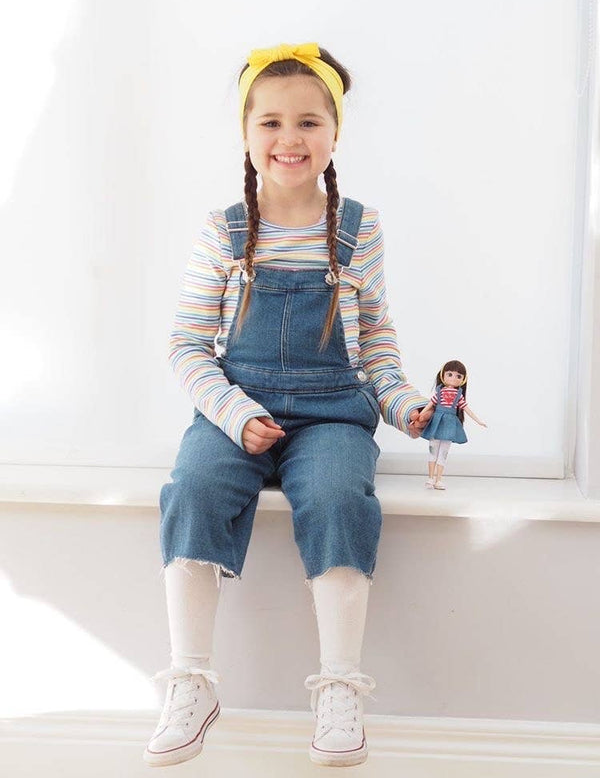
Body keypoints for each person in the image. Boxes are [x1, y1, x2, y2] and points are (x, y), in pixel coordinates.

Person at [143, 41, 432, 769]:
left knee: (338, 494)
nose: (289, 138)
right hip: (236, 406)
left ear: (335, 133)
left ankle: (338, 684)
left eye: (308, 121)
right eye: (270, 123)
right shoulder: (225, 231)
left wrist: (405, 408)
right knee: (195, 486)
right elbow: (185, 346)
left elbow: (376, 347)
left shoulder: (357, 229)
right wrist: (236, 414)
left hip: (333, 409)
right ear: (246, 136)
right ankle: (191, 679)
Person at [420, 359, 487, 490]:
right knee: (433, 450)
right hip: (437, 422)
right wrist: (420, 415)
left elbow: (467, 410)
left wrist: (478, 420)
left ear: (463, 379)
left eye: (458, 376)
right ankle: (430, 478)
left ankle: (438, 479)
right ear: (443, 375)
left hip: (450, 425)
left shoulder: (458, 396)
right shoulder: (439, 392)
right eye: (449, 374)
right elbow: (430, 404)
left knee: (443, 453)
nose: (453, 378)